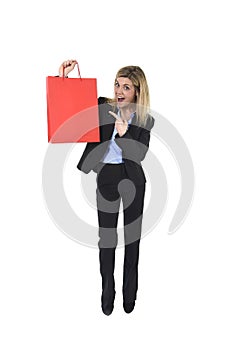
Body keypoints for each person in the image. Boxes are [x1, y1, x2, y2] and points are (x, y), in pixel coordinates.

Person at [58, 60, 155, 315]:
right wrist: (64, 80)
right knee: (107, 239)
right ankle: (107, 290)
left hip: (133, 179)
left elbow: (140, 154)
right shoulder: (103, 106)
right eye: (117, 84)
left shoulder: (145, 120)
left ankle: (130, 295)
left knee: (132, 239)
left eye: (126, 87)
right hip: (107, 177)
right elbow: (71, 107)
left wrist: (124, 133)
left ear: (137, 92)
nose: (119, 91)